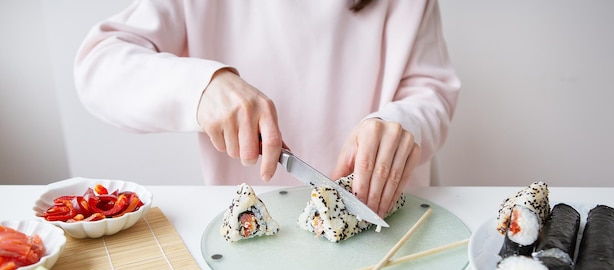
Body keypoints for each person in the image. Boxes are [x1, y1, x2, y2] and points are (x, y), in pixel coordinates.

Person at [74, 0, 460, 218]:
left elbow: (431, 91)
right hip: (251, 228)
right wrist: (201, 86)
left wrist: (401, 122)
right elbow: (99, 66)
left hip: (390, 220)